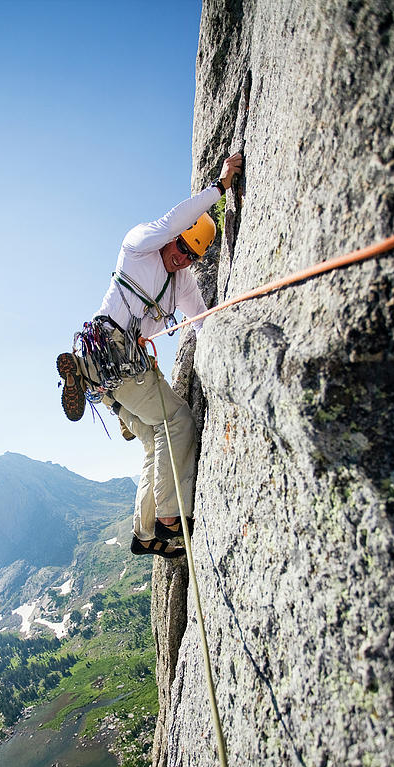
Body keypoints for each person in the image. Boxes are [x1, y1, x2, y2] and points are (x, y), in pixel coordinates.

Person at [57, 153, 243, 559]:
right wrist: (220, 187)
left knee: (152, 440)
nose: (182, 258)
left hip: (111, 376)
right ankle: (171, 517)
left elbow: (199, 321)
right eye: (181, 248)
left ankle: (144, 534)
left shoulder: (184, 283)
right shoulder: (140, 245)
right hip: (117, 356)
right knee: (176, 419)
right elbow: (175, 218)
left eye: (192, 256)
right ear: (173, 238)